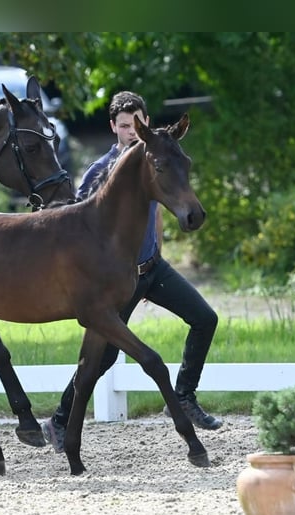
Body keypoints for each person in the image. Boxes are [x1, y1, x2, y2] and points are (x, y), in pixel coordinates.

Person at [42, 91, 221, 453]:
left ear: (145, 124)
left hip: (152, 268)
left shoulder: (155, 158)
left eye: (136, 124)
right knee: (102, 356)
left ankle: (185, 395)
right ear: (113, 127)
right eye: (124, 126)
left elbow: (164, 203)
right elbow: (79, 224)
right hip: (114, 278)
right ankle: (59, 420)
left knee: (205, 318)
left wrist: (159, 249)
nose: (130, 131)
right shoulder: (102, 170)